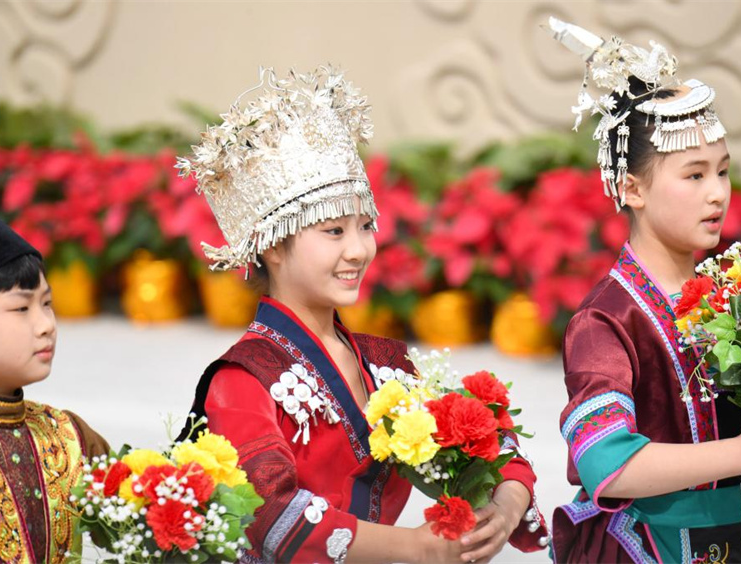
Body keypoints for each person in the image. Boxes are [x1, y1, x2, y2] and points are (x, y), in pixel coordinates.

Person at [177, 66, 548, 563]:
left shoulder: (386, 364)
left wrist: (504, 507)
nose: (358, 249)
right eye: (333, 231)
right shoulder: (243, 379)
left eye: (366, 225)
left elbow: (490, 443)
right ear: (273, 247)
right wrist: (412, 547)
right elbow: (271, 514)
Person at [545, 18, 741, 563]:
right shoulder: (605, 321)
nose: (718, 194)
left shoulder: (733, 299)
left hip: (725, 537)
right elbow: (608, 465)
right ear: (632, 188)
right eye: (694, 175)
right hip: (637, 546)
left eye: (723, 171)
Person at [0, 202, 110, 563]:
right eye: (21, 308)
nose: (46, 325)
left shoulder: (69, 435)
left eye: (47, 303)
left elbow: (144, 507)